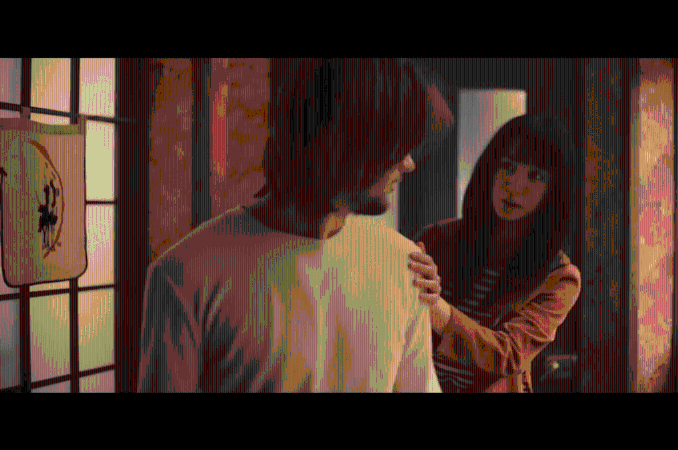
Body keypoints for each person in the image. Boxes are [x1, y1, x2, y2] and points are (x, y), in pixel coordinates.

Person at [137, 58, 454, 392]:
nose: (409, 163)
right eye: (397, 145)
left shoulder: (405, 265)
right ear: (341, 140)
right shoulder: (186, 273)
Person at [407, 113, 581, 392]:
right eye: (507, 167)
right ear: (489, 168)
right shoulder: (437, 239)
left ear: (554, 190)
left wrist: (438, 309)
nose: (515, 187)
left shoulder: (560, 277)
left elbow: (508, 355)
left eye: (535, 176)